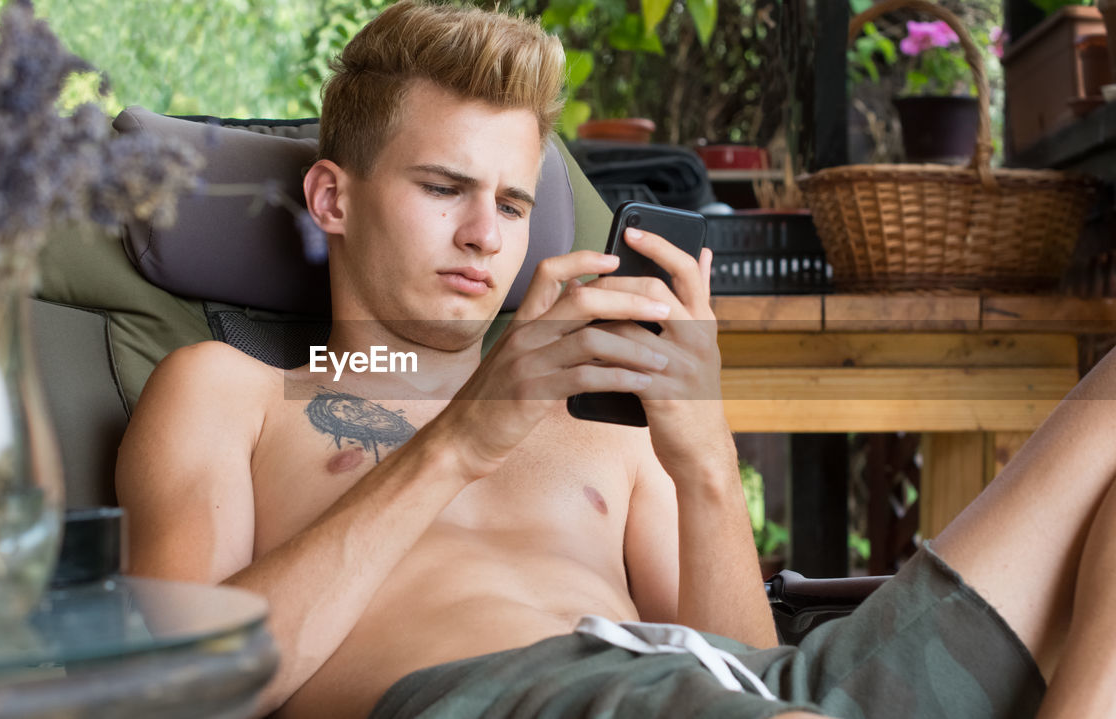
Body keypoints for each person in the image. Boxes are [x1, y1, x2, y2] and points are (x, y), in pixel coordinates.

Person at [114, 3, 1116, 718]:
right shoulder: (232, 392)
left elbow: (747, 666)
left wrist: (701, 453)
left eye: (509, 203)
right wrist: (457, 439)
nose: (482, 235)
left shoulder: (600, 415)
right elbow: (174, 691)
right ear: (331, 198)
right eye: (441, 187)